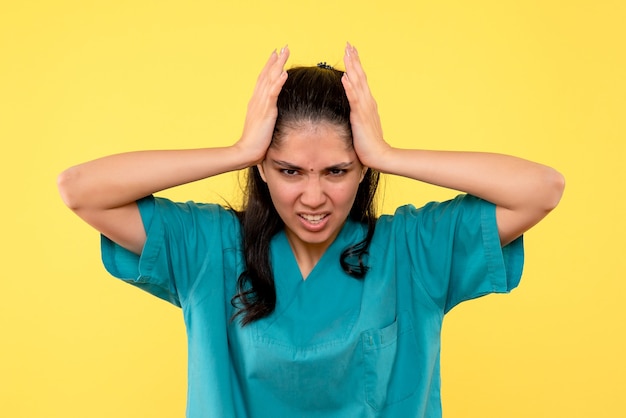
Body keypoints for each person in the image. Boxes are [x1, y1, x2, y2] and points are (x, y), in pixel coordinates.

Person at [57, 43, 565, 417]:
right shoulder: (209, 248)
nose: (314, 197)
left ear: (362, 168)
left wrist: (389, 154)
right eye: (290, 171)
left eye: (337, 171)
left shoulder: (413, 250)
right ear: (263, 167)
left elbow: (541, 188)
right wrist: (235, 151)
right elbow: (81, 189)